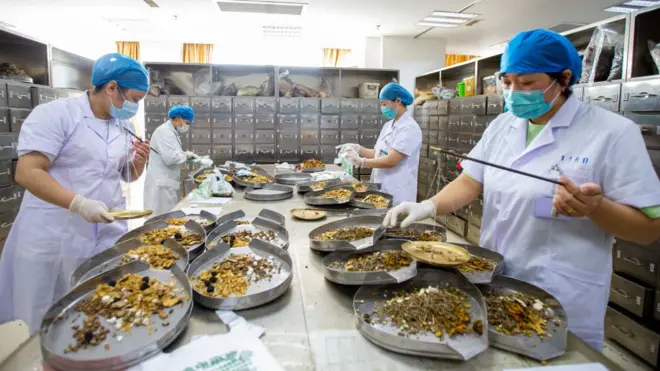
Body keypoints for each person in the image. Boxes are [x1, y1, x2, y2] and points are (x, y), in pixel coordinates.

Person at [383, 29, 660, 351]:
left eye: (527, 83)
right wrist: (428, 206)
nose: (514, 92)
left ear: (564, 78)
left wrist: (596, 208)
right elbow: (471, 180)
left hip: (561, 288)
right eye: (507, 81)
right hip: (492, 274)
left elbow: (647, 229)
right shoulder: (503, 125)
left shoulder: (612, 133)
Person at [0, 53, 151, 333]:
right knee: (42, 314)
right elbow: (27, 172)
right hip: (55, 232)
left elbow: (122, 174)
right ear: (111, 88)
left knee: (98, 307)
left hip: (105, 230)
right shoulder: (57, 114)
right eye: (134, 99)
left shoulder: (123, 125)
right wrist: (78, 204)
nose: (135, 107)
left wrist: (138, 163)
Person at [338, 82, 422, 205]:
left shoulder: (409, 128)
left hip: (398, 192)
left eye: (384, 104)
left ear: (398, 101)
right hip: (381, 188)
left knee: (395, 223)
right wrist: (358, 148)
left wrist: (362, 162)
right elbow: (377, 153)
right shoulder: (388, 125)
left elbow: (391, 160)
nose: (383, 108)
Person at [144, 106, 196, 216]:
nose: (187, 126)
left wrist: (185, 155)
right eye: (187, 123)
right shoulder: (164, 132)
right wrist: (187, 155)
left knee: (169, 217)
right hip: (161, 184)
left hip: (168, 181)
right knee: (160, 219)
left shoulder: (171, 132)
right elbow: (171, 158)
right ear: (178, 118)